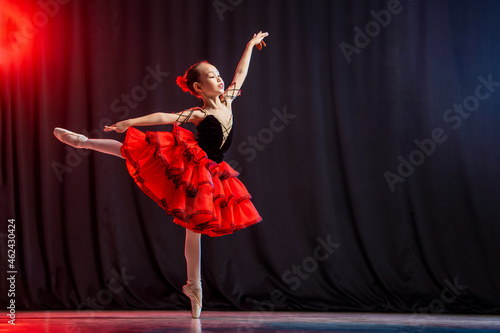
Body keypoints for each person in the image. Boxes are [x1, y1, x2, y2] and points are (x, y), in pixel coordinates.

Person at [53, 31, 269, 319]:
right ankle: (83, 142)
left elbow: (240, 73)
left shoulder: (228, 100)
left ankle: (193, 286)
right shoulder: (199, 114)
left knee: (195, 227)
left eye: (219, 75)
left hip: (213, 171)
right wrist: (131, 121)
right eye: (212, 76)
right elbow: (164, 118)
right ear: (198, 87)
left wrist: (250, 45)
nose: (220, 79)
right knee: (134, 151)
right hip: (193, 165)